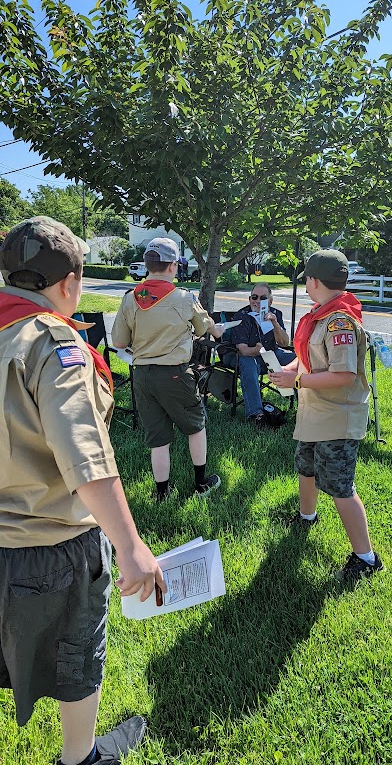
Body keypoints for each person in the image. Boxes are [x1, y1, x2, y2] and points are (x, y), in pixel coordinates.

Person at [0, 216, 167, 765]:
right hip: (52, 543)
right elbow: (85, 456)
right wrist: (131, 546)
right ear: (70, 283)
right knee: (76, 656)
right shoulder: (53, 341)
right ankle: (80, 757)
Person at [269, 250, 384, 582]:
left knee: (339, 486)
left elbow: (344, 375)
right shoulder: (320, 314)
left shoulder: (339, 321)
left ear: (315, 281)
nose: (305, 284)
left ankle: (367, 558)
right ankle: (307, 517)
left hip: (337, 417)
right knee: (306, 467)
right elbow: (307, 357)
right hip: (315, 412)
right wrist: (289, 369)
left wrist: (298, 380)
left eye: (306, 278)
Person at [111, 238, 224, 500]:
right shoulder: (184, 297)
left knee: (158, 436)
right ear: (173, 266)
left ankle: (162, 493)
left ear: (148, 264)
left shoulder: (130, 298)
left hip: (142, 375)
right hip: (174, 373)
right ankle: (201, 484)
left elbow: (119, 342)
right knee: (196, 426)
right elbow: (203, 327)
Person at [222, 282, 296, 426]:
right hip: (243, 357)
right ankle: (256, 414)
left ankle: (306, 405)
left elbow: (284, 343)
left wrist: (275, 323)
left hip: (270, 354)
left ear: (270, 300)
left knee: (298, 359)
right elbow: (243, 350)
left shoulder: (276, 314)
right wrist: (256, 350)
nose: (257, 301)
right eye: (254, 297)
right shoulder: (242, 316)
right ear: (249, 299)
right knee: (248, 363)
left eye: (263, 298)